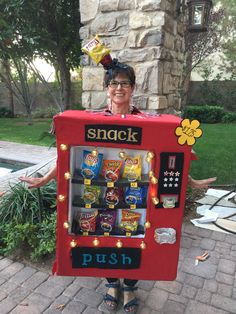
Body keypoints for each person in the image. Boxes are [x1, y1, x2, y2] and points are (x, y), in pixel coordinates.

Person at [19, 60, 216, 313]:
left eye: (124, 83)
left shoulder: (148, 123)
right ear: (106, 88)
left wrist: (190, 181)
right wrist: (45, 179)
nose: (119, 88)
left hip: (140, 194)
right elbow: (67, 157)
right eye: (113, 83)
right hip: (99, 191)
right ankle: (112, 285)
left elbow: (174, 154)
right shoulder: (89, 121)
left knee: (135, 239)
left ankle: (130, 286)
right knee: (105, 237)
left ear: (133, 88)